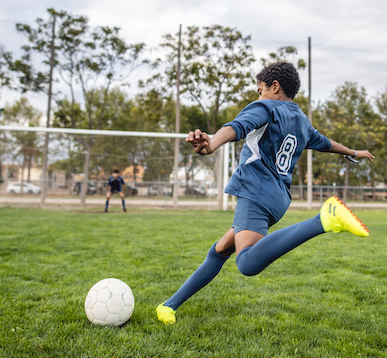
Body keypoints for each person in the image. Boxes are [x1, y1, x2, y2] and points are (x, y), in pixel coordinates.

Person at [156, 62, 374, 325]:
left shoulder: (265, 107)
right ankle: (169, 306)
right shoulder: (301, 120)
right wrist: (353, 152)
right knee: (221, 250)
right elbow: (325, 143)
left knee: (247, 263)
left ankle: (324, 220)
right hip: (277, 199)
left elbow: (237, 126)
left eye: (260, 90)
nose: (258, 96)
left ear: (274, 87)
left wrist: (212, 143)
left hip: (256, 191)